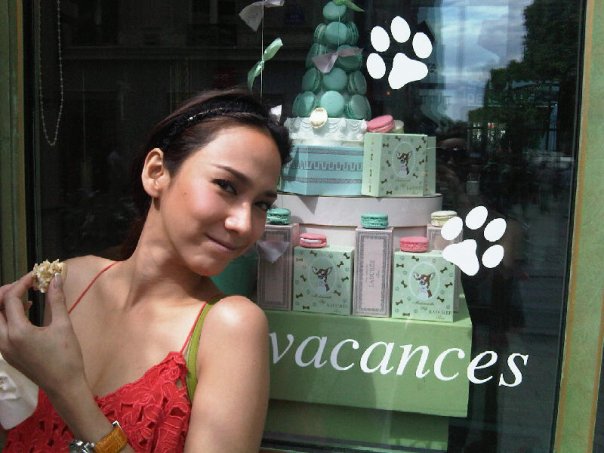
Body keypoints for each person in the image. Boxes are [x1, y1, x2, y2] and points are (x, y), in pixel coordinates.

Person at [0, 87, 291, 452]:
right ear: (156, 173)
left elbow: (64, 397)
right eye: (227, 186)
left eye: (262, 204)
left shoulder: (231, 327)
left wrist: (67, 389)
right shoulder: (72, 282)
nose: (244, 224)